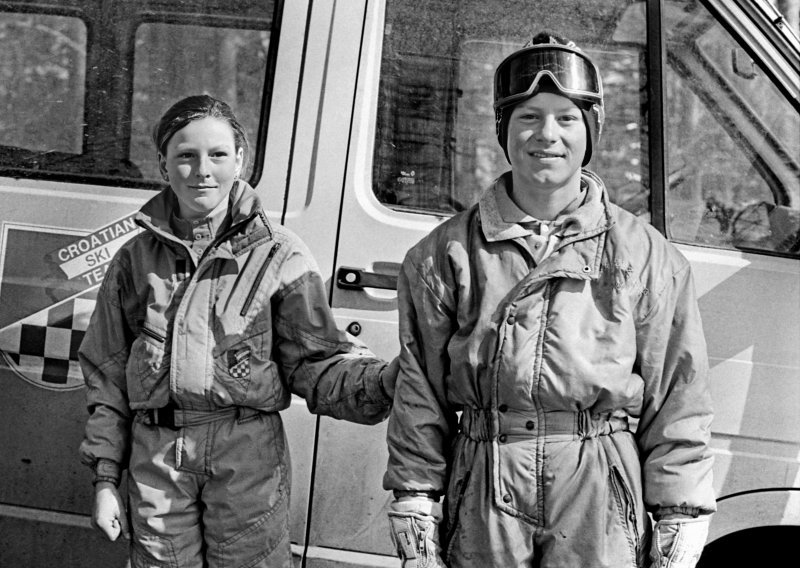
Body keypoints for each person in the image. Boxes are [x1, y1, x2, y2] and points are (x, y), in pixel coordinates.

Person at [384, 32, 715, 567]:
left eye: (565, 117)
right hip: (484, 480)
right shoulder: (444, 254)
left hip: (597, 485)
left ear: (591, 130)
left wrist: (680, 509)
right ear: (503, 131)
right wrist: (416, 495)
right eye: (528, 117)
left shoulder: (645, 255)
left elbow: (677, 390)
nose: (547, 134)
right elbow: (420, 388)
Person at [79, 94, 397, 568]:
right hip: (158, 463)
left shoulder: (280, 255)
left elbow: (318, 362)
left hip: (248, 462)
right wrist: (106, 479)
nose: (202, 170)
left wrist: (385, 381)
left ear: (241, 160)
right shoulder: (134, 260)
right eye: (185, 155)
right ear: (163, 165)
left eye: (218, 155)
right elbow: (106, 377)